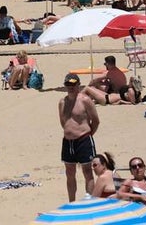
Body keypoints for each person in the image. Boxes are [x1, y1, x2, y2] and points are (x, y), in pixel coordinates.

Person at [58, 73, 100, 201]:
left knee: (87, 172)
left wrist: (87, 135)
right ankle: (72, 202)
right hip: (68, 142)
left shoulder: (85, 100)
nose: (70, 87)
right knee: (70, 173)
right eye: (68, 84)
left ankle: (90, 202)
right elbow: (63, 121)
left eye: (73, 84)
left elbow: (96, 120)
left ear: (78, 85)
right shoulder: (62, 102)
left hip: (84, 139)